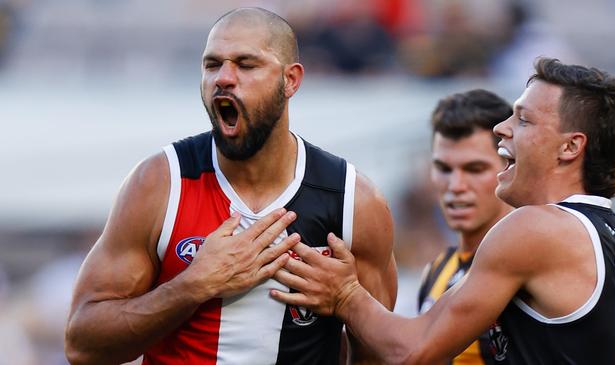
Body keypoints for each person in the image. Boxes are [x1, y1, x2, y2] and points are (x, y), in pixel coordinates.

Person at [64, 7, 397, 365]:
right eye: (212, 65)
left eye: (246, 64)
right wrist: (191, 287)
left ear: (291, 80)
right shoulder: (160, 183)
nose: (223, 77)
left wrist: (347, 299)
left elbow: (381, 353)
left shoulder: (352, 200)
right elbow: (83, 346)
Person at [272, 57, 615, 364]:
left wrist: (345, 295)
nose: (502, 128)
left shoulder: (537, 228)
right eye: (444, 168)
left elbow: (413, 351)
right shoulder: (605, 233)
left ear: (570, 148)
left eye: (524, 119)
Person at [418, 89, 513, 364]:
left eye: (475, 169)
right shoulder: (436, 270)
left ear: (509, 167)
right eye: (444, 169)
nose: (456, 186)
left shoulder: (535, 266)